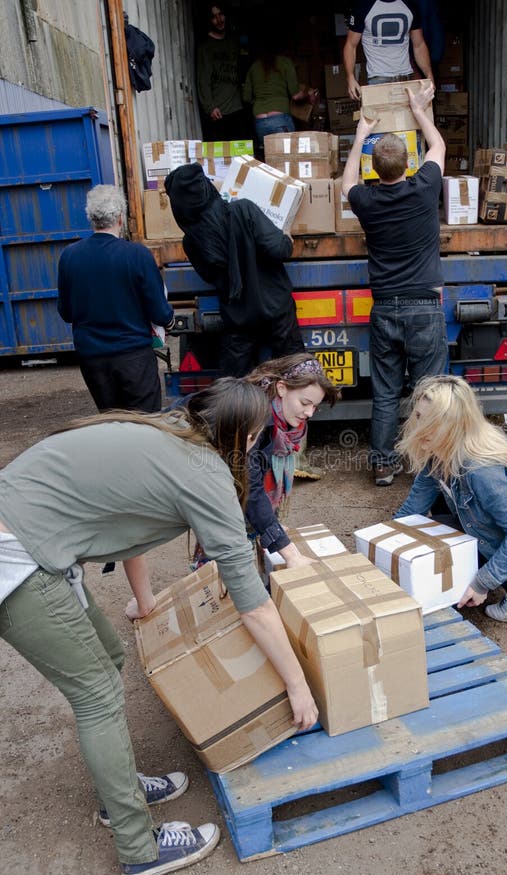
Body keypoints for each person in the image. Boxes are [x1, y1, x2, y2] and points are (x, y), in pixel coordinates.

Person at [0, 379, 318, 875]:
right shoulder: (206, 473)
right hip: (17, 560)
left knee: (109, 656)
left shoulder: (171, 428)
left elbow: (123, 512)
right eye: (258, 436)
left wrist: (147, 601)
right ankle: (138, 848)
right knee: (97, 693)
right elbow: (251, 602)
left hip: (28, 530)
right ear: (244, 434)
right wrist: (299, 685)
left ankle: (118, 788)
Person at [342, 80, 447, 486]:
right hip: (424, 307)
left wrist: (360, 136)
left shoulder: (366, 201)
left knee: (385, 392)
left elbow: (346, 183)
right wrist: (420, 111)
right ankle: (432, 466)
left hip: (385, 308)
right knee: (431, 392)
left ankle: (383, 465)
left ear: (376, 168)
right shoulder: (424, 189)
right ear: (408, 164)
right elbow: (438, 147)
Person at [393, 375, 507, 622]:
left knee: (461, 543)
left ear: (455, 424)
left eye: (433, 421)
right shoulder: (439, 453)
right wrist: (381, 542)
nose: (420, 428)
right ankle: (484, 560)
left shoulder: (481, 471)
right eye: (418, 416)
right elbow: (412, 508)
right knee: (432, 523)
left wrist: (482, 583)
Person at [164, 162, 305, 377]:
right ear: (206, 189)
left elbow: (210, 277)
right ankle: (299, 407)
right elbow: (279, 250)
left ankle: (244, 411)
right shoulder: (243, 209)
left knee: (235, 384)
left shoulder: (192, 242)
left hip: (239, 319)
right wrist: (286, 236)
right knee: (297, 372)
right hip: (277, 309)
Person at [57, 184, 175, 414]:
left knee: (110, 422)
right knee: (146, 424)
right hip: (134, 355)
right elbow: (159, 311)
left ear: (91, 218)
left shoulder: (69, 256)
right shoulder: (136, 254)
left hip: (92, 359)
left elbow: (66, 312)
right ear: (121, 218)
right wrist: (170, 323)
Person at [245, 354, 340, 565]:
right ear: (281, 388)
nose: (310, 413)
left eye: (315, 406)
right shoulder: (253, 419)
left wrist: (272, 527)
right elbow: (249, 486)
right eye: (305, 403)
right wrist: (289, 553)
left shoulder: (282, 421)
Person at [243, 30, 317, 156]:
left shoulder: (254, 67)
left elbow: (246, 97)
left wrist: (260, 101)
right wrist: (308, 94)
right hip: (279, 119)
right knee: (288, 158)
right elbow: (295, 95)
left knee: (270, 159)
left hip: (260, 122)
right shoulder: (285, 63)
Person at [344, 0, 434, 101]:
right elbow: (350, 45)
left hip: (406, 78)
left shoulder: (410, 5)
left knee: (410, 116)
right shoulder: (363, 6)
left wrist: (429, 74)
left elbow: (419, 45)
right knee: (380, 117)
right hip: (378, 80)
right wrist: (350, 77)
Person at [196, 3, 247, 141]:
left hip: (236, 108)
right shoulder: (206, 47)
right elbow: (203, 80)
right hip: (218, 111)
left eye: (221, 14)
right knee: (220, 158)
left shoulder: (233, 42)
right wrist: (210, 107)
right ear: (209, 20)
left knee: (241, 155)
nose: (219, 20)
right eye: (214, 17)